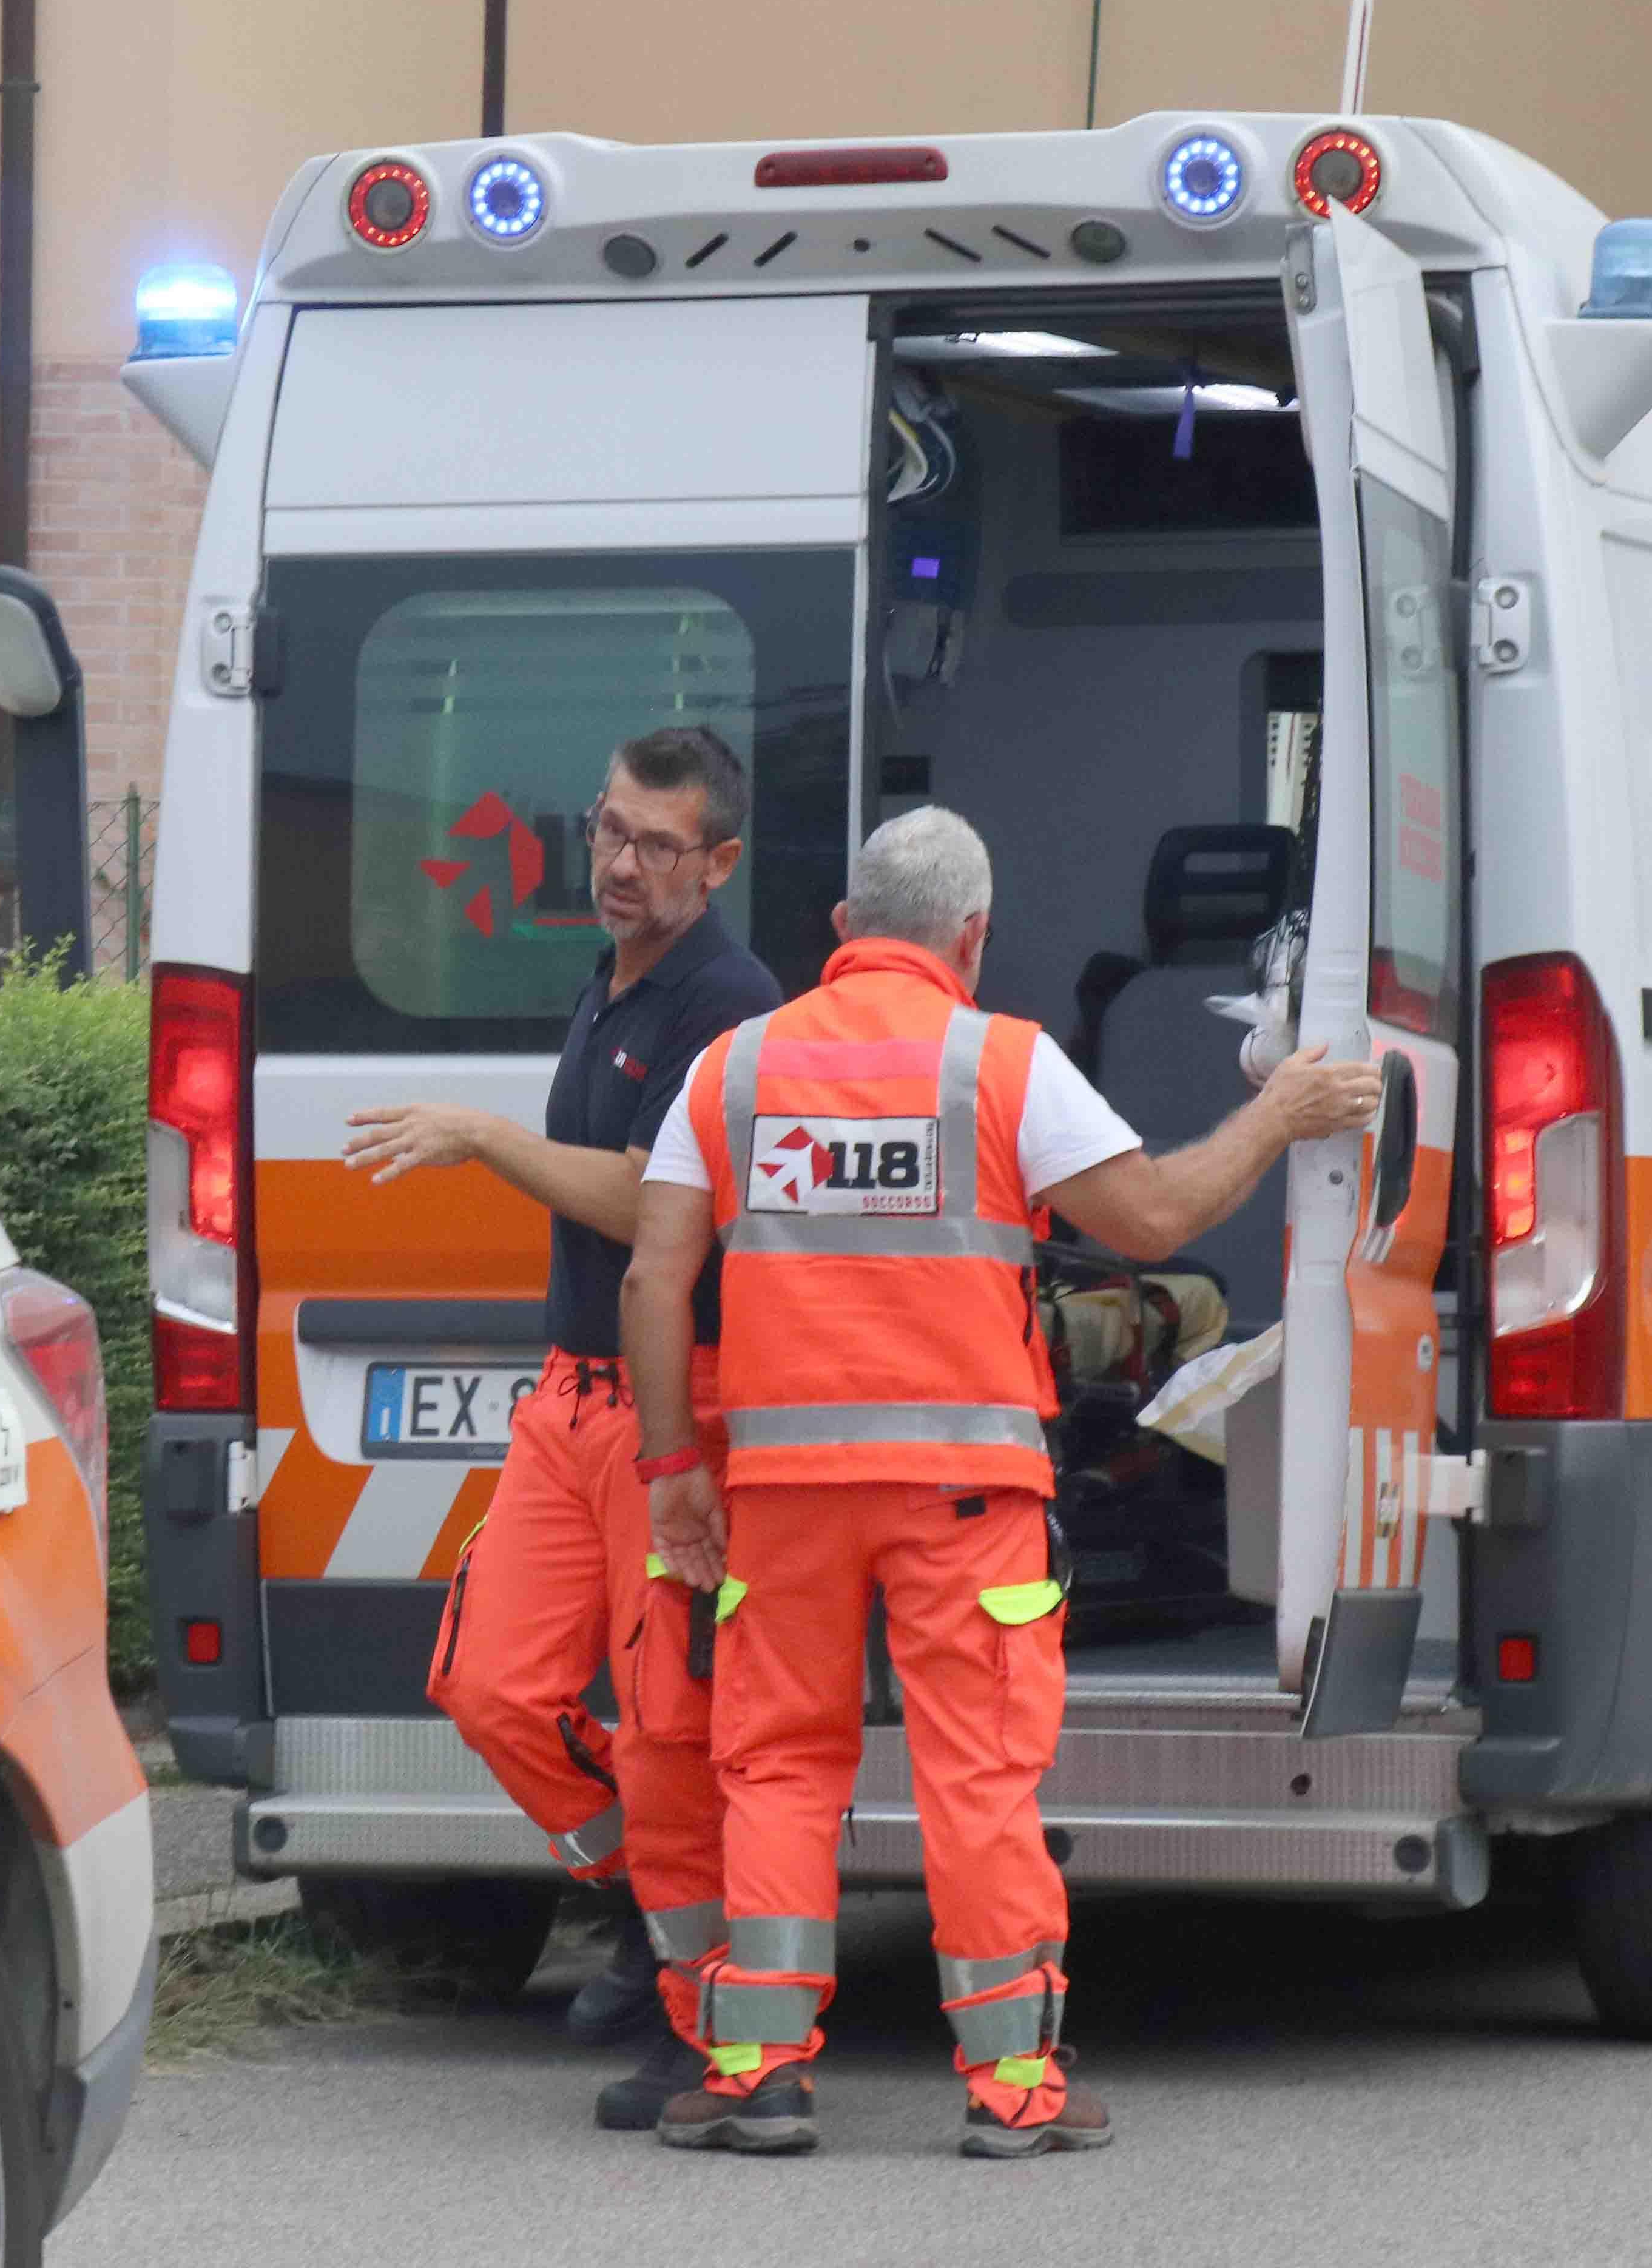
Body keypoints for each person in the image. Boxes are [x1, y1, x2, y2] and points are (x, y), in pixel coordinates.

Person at [621, 806, 1380, 2160]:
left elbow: (654, 1278)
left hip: (784, 1491)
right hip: (966, 1495)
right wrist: (1276, 1111)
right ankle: (1014, 2086)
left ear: (846, 927)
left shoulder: (731, 1070)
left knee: (778, 1765)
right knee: (976, 1777)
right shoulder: (1005, 1063)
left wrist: (677, 1466)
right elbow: (1150, 1219)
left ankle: (757, 2070)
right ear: (972, 936)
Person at [343, 725, 781, 2131]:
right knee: (489, 1687)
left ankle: (694, 2009)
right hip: (565, 1397)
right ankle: (638, 1900)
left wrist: (481, 1135)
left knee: (668, 1729)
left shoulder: (731, 1001)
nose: (622, 863)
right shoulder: (611, 981)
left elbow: (660, 1203)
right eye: (609, 829)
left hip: (674, 1399)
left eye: (660, 845)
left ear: (719, 862)